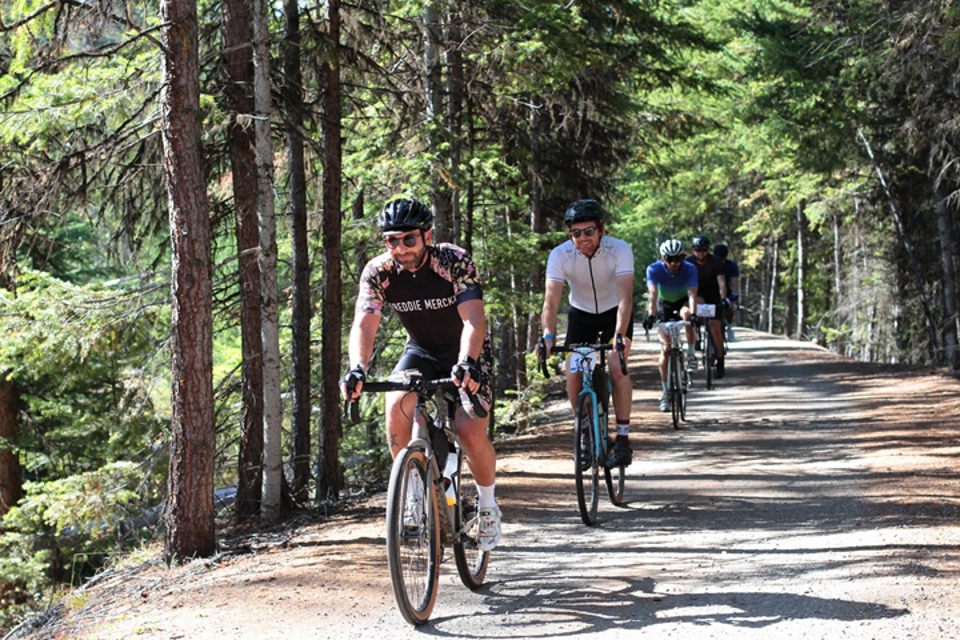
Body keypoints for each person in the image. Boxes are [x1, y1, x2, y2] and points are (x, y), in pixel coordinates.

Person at [340, 197, 501, 551]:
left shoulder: (453, 261)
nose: (400, 248)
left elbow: (474, 318)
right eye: (391, 240)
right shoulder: (379, 272)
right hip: (422, 351)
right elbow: (364, 324)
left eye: (408, 239)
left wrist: (468, 362)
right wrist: (357, 368)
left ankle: (488, 506)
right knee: (396, 401)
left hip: (468, 351)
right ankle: (413, 495)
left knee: (468, 430)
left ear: (427, 235)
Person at [539, 199, 635, 467]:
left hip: (614, 313)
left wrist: (619, 335)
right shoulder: (560, 255)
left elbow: (626, 296)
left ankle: (623, 439)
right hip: (581, 316)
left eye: (589, 231)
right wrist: (548, 335)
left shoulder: (620, 250)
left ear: (601, 229)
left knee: (617, 367)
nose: (582, 238)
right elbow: (551, 301)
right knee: (573, 376)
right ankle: (584, 434)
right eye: (576, 232)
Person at [643, 239, 699, 412]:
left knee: (687, 315)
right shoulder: (654, 269)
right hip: (663, 304)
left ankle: (690, 354)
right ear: (663, 258)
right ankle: (666, 392)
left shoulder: (689, 268)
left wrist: (695, 314)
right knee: (666, 348)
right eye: (670, 259)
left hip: (682, 301)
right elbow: (652, 294)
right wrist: (651, 315)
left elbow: (692, 293)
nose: (675, 263)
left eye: (679, 258)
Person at [687, 234, 727, 378]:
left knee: (715, 328)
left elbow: (721, 281)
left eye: (704, 250)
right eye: (697, 250)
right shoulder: (689, 262)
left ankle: (720, 361)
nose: (701, 253)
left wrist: (723, 298)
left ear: (708, 250)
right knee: (696, 307)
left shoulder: (715, 261)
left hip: (714, 293)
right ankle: (697, 337)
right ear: (693, 250)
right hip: (697, 292)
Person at [714, 243, 740, 343]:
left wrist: (735, 294)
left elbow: (735, 281)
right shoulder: (711, 263)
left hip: (726, 290)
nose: (720, 261)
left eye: (722, 258)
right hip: (711, 289)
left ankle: (729, 327)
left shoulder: (731, 265)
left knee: (729, 306)